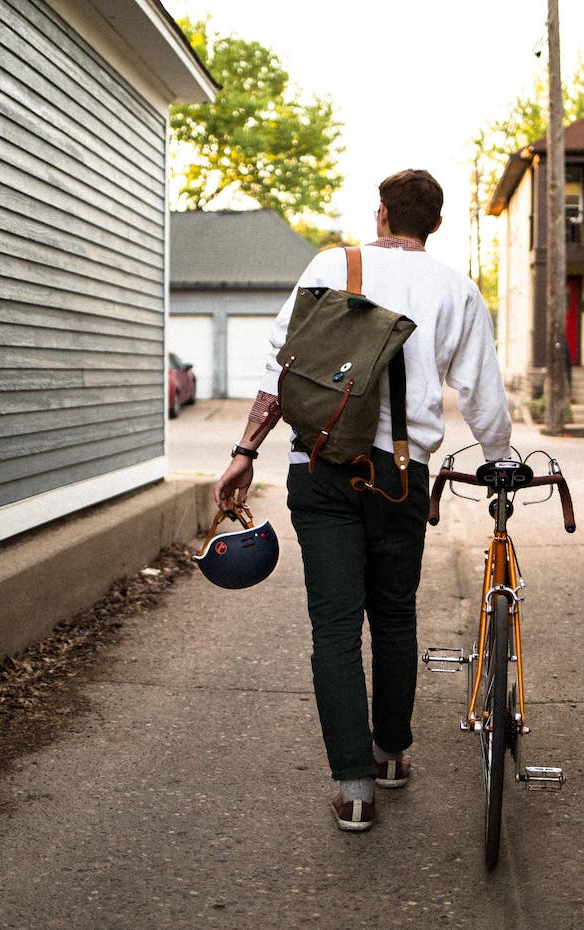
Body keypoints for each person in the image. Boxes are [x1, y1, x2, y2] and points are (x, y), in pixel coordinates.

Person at [213, 169, 512, 832]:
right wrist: (498, 462)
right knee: (395, 616)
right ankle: (391, 756)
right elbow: (484, 397)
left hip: (319, 467)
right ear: (433, 224)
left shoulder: (330, 265)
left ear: (380, 214)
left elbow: (279, 367)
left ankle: (354, 791)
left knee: (336, 628)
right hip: (399, 475)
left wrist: (244, 450)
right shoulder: (457, 290)